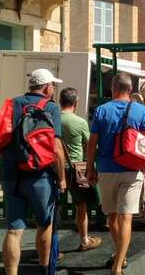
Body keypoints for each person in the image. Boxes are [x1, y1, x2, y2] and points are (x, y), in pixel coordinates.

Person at [87, 73, 145, 275]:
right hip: (132, 170)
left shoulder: (101, 110)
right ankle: (118, 265)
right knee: (126, 219)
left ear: (113, 89)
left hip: (107, 169)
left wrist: (91, 168)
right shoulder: (141, 111)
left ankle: (119, 256)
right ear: (130, 90)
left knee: (112, 218)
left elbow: (92, 143)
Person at [1, 68, 66, 275]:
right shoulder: (51, 107)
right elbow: (56, 148)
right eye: (53, 85)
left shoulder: (12, 103)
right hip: (40, 175)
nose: (54, 88)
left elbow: (1, 137)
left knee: (13, 230)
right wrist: (62, 178)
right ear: (47, 87)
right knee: (44, 224)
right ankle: (44, 269)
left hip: (12, 173)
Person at [59, 88, 102, 252]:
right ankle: (84, 240)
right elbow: (92, 144)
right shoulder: (79, 122)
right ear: (75, 103)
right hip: (75, 168)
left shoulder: (53, 119)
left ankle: (50, 247)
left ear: (60, 101)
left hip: (55, 167)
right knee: (81, 206)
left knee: (54, 207)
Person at [130, 92, 145, 224]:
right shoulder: (143, 114)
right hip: (140, 153)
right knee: (142, 184)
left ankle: (134, 213)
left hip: (126, 154)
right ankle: (144, 213)